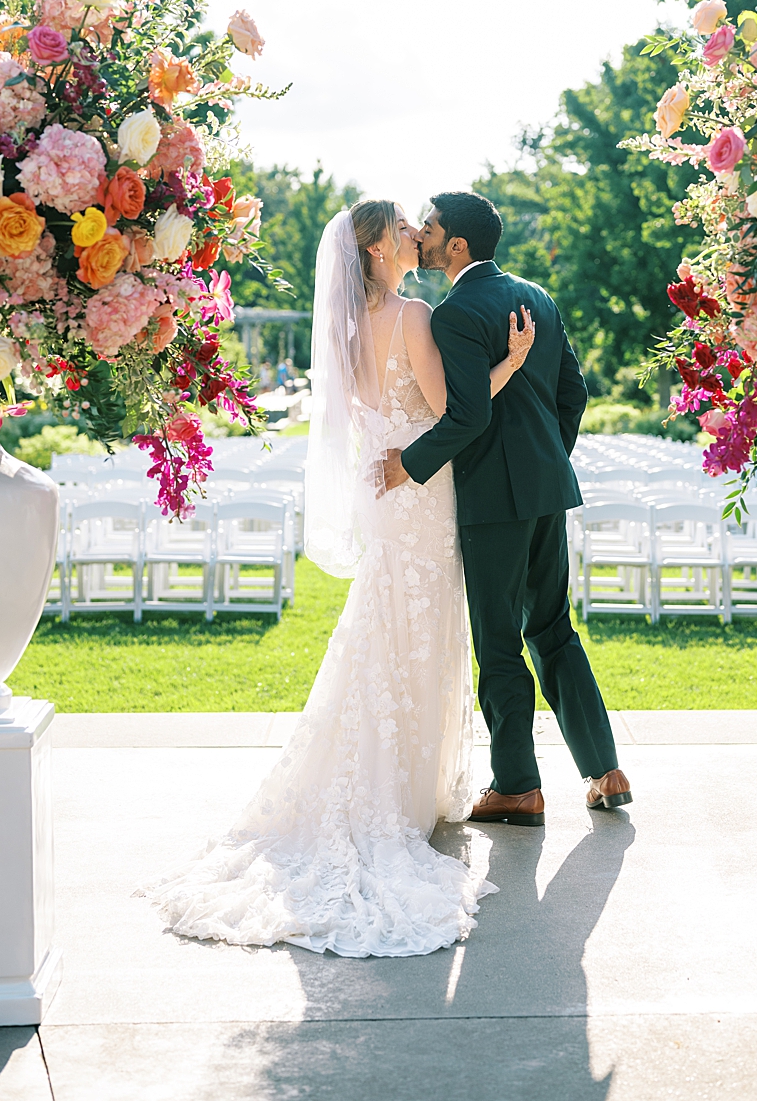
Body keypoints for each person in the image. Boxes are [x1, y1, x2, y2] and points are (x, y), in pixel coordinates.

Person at [141, 199, 534, 956]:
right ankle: (404, 791)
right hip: (420, 492)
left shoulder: (350, 329)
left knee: (385, 622)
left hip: (382, 487)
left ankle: (390, 779)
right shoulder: (414, 317)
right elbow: (457, 409)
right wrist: (511, 363)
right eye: (403, 231)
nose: (415, 237)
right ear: (383, 248)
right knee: (419, 627)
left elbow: (374, 414)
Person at [381, 190, 631, 823]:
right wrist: (547, 459)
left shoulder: (454, 313)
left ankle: (517, 785)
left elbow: (467, 416)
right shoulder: (536, 297)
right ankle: (605, 770)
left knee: (498, 643)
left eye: (430, 227)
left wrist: (405, 467)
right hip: (548, 490)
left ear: (456, 245)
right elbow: (572, 394)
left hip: (495, 499)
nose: (423, 235)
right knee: (553, 629)